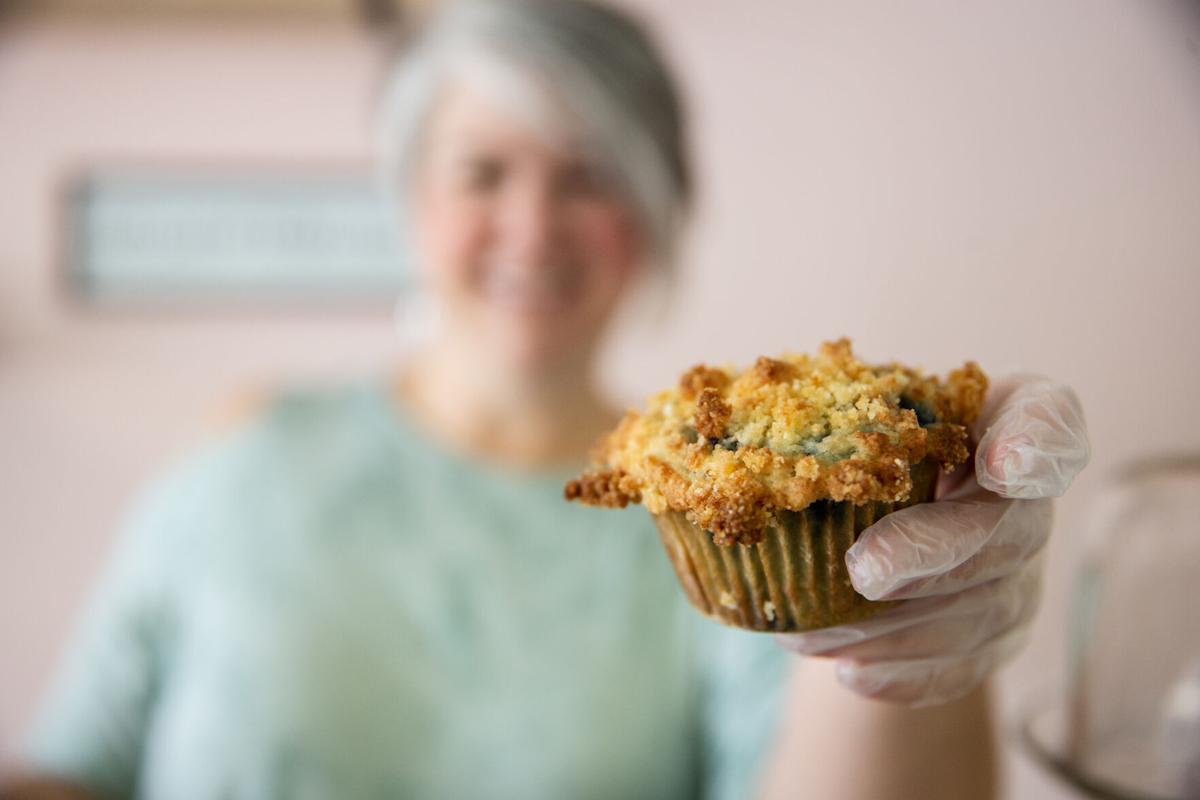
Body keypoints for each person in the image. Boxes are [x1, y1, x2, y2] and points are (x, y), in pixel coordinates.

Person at [2, 1, 1089, 798]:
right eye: (483, 172)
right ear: (411, 203)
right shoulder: (247, 453)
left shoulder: (737, 521)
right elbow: (77, 769)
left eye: (590, 175)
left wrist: (916, 639)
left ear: (657, 211)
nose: (533, 227)